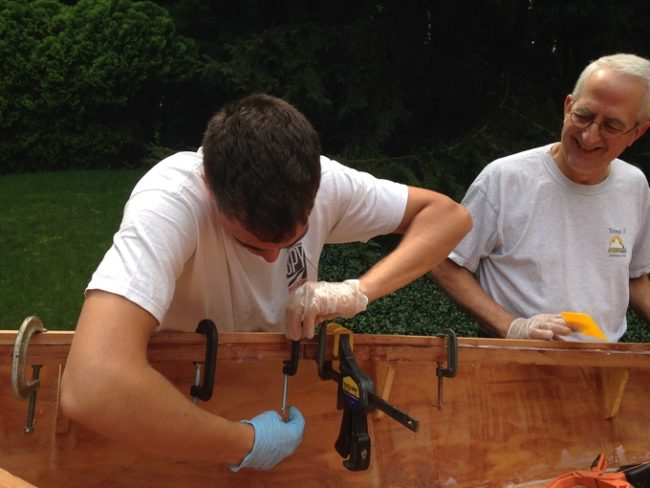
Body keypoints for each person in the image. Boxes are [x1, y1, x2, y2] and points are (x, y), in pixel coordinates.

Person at [60, 94, 472, 471]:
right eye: (252, 246)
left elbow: (449, 217)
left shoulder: (323, 179)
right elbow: (94, 385)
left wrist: (355, 292)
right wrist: (244, 442)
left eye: (292, 240)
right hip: (167, 410)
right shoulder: (170, 201)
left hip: (267, 387)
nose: (274, 259)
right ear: (209, 187)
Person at [431, 53, 650, 342]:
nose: (589, 137)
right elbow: (443, 261)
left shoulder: (633, 185)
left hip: (605, 366)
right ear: (568, 106)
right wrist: (511, 326)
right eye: (583, 116)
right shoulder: (504, 178)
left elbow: (633, 277)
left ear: (637, 132)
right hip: (512, 361)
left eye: (611, 126)